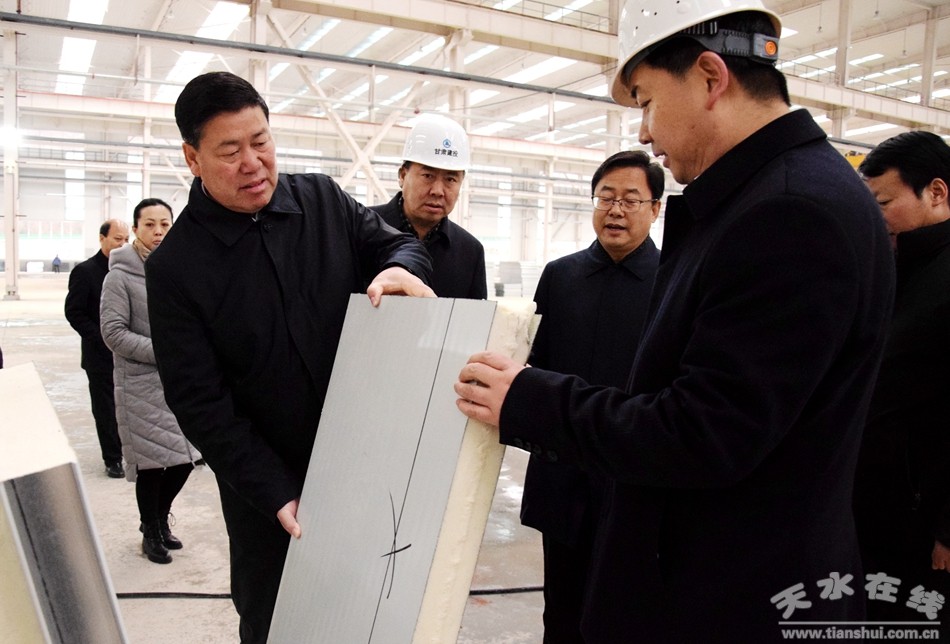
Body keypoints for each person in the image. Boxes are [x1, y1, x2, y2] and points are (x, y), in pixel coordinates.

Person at [454, 1, 895, 641]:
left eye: (646, 101)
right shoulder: (774, 197)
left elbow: (703, 432)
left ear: (710, 77)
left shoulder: (791, 213)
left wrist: (529, 399)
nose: (643, 132)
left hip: (729, 598)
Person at [145, 71, 433, 643]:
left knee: (372, 607)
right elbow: (198, 401)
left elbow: (398, 243)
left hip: (365, 465)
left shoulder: (321, 200)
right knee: (278, 618)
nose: (253, 163)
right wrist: (274, 490)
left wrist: (401, 268)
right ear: (192, 158)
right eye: (230, 151)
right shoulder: (177, 267)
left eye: (261, 141)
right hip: (269, 495)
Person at [520, 150, 662, 643]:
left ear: (656, 208)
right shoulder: (560, 276)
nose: (616, 210)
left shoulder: (671, 282)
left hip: (634, 475)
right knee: (561, 607)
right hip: (563, 473)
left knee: (625, 611)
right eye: (606, 197)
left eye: (631, 199)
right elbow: (534, 364)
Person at [854, 131, 950, 630]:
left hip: (925, 521)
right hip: (881, 507)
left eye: (884, 204)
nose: (876, 219)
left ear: (936, 192)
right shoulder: (898, 269)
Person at [100, 198, 202, 566]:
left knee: (186, 459)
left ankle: (159, 518)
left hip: (179, 380)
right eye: (150, 225)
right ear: (136, 229)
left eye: (165, 224)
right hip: (140, 384)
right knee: (153, 466)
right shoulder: (119, 276)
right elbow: (113, 332)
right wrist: (165, 351)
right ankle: (151, 530)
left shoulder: (180, 267)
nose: (158, 232)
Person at [369, 113, 487, 299]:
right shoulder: (363, 230)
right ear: (402, 176)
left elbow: (473, 316)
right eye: (428, 176)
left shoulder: (470, 251)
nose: (438, 191)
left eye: (450, 179)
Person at [65, 218, 130, 479]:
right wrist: (103, 338)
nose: (122, 245)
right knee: (106, 409)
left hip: (129, 354)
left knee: (130, 408)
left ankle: (132, 453)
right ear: (102, 238)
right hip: (100, 356)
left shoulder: (129, 270)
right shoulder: (86, 271)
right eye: (117, 239)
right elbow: (74, 312)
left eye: (126, 240)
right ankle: (113, 458)